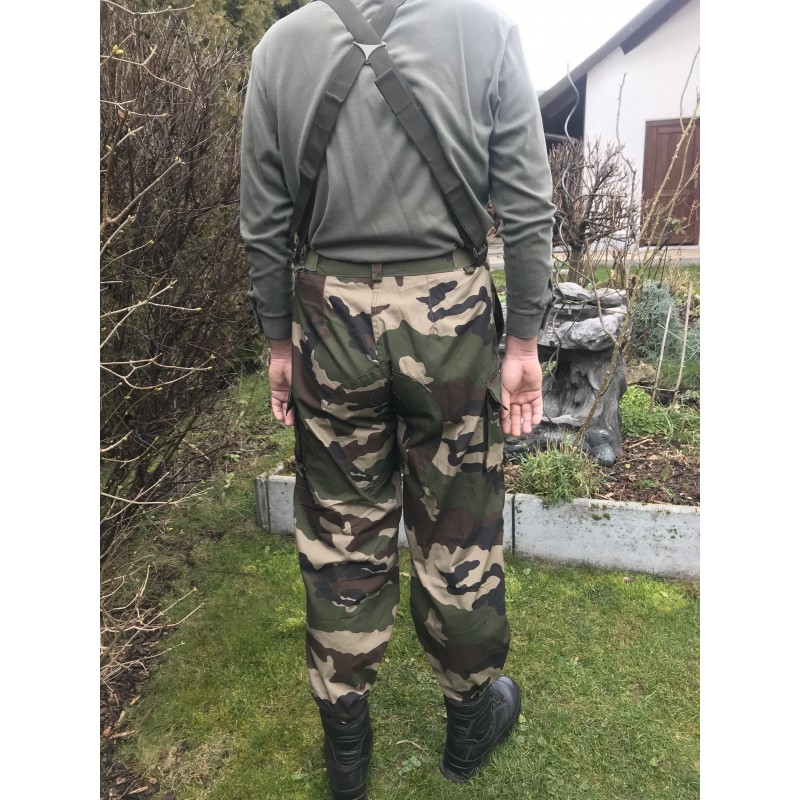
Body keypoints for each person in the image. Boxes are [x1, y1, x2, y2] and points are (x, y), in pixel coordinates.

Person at [240, 1, 555, 797]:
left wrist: (278, 340)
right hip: (450, 324)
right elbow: (526, 204)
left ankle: (347, 755)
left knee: (341, 534)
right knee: (459, 528)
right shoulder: (485, 31)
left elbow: (264, 221)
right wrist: (523, 340)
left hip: (329, 321)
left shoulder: (280, 47)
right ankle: (469, 727)